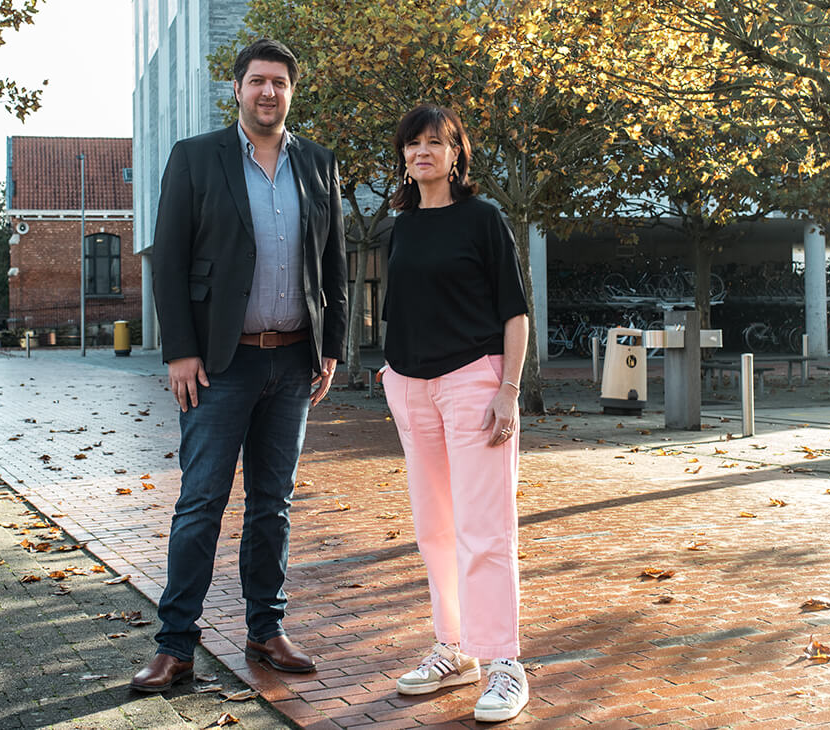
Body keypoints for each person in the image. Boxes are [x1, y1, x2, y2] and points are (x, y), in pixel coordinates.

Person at [131, 38, 347, 692]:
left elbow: (333, 263)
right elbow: (168, 262)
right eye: (258, 81)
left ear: (291, 91)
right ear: (237, 89)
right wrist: (179, 349)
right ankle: (176, 646)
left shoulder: (318, 164)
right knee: (200, 504)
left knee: (272, 506)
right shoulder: (196, 159)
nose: (268, 92)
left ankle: (265, 628)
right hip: (219, 366)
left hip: (291, 366)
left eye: (280, 82)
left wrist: (331, 345)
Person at [379, 104, 531, 723]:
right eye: (412, 143)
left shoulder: (484, 219)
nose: (422, 152)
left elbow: (514, 312)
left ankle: (504, 664)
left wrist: (509, 390)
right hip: (412, 388)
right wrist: (394, 378)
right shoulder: (400, 226)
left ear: (456, 153)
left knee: (484, 529)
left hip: (474, 382)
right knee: (435, 528)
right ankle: (454, 646)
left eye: (434, 142)